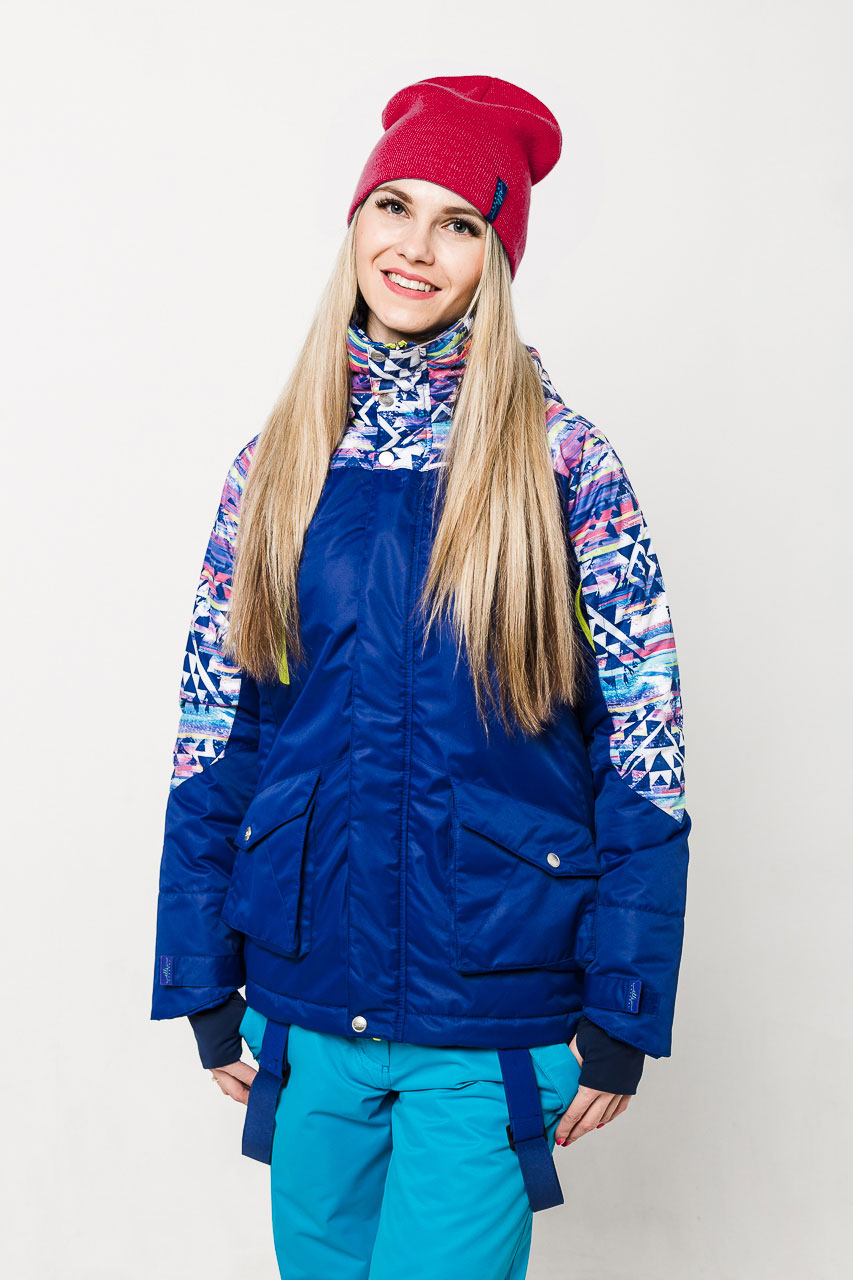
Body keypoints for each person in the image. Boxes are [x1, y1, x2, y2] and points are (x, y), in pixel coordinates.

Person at [150, 74, 691, 1279]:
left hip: (488, 1010)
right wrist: (201, 972)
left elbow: (643, 752)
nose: (415, 246)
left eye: (458, 223)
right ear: (354, 222)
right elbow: (217, 734)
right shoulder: (277, 465)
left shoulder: (565, 465)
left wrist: (623, 1005)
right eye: (393, 206)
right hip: (305, 1001)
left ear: (494, 257)